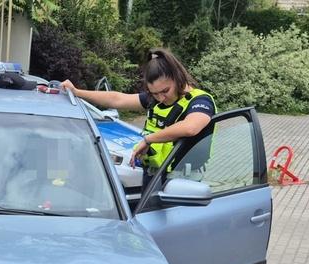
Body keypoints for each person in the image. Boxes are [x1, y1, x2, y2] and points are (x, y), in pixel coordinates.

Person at [62, 48, 215, 186]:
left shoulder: (200, 101)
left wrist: (149, 139)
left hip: (183, 186)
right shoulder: (153, 100)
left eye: (165, 90)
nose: (160, 98)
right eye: (154, 93)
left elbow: (190, 127)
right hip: (152, 181)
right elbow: (117, 99)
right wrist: (77, 92)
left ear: (177, 77)